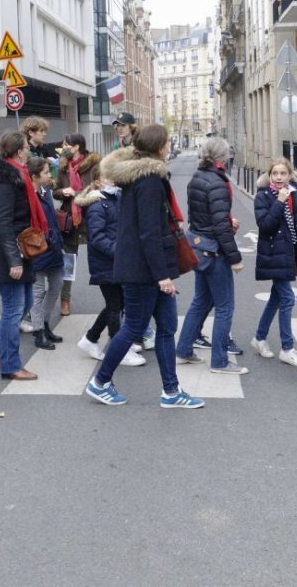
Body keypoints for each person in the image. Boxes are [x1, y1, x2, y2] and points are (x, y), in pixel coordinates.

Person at [85, 124, 204, 408]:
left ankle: (171, 392)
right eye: (167, 142)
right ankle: (100, 382)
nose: (169, 146)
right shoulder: (149, 180)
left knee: (165, 327)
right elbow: (149, 232)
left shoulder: (140, 177)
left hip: (144, 266)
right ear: (160, 146)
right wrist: (162, 275)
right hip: (144, 270)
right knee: (133, 327)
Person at [175, 137, 247, 375]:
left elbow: (201, 215)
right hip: (214, 250)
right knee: (225, 306)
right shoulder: (216, 181)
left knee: (201, 301)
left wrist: (226, 220)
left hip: (198, 245)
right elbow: (219, 226)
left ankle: (184, 349)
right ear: (223, 157)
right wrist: (235, 257)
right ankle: (220, 361)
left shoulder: (198, 176)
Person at [0, 132, 42, 380]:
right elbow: (2, 223)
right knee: (14, 310)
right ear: (19, 151)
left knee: (23, 305)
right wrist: (14, 260)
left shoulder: (15, 176)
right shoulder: (4, 181)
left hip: (17, 250)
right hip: (7, 253)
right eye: (27, 148)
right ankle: (11, 366)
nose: (29, 152)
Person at [75, 176, 145, 366]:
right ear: (97, 181)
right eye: (108, 176)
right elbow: (97, 238)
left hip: (116, 262)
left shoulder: (114, 199)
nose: (114, 180)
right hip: (106, 262)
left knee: (118, 303)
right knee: (115, 305)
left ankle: (90, 339)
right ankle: (119, 349)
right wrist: (120, 251)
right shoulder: (97, 204)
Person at [251, 158, 297, 365]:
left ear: (290, 175)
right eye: (275, 174)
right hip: (274, 253)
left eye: (283, 173)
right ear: (270, 175)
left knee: (276, 298)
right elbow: (265, 225)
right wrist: (279, 202)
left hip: (289, 253)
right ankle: (287, 348)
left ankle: (259, 338)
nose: (279, 177)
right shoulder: (263, 196)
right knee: (288, 299)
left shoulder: (296, 195)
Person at [54, 134, 100, 318]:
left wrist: (77, 192)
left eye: (67, 144)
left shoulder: (94, 165)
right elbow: (55, 190)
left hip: (92, 216)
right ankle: (65, 299)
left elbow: (98, 188)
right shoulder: (63, 166)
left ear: (77, 147)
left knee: (101, 257)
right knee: (68, 261)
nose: (63, 147)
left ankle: (115, 300)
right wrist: (63, 192)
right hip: (69, 220)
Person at [25, 157, 67, 350]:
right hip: (38, 248)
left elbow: (51, 219)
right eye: (45, 173)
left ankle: (44, 323)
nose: (49, 176)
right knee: (38, 291)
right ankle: (39, 331)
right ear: (34, 176)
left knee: (57, 285)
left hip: (54, 247)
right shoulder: (26, 195)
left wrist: (58, 241)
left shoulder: (45, 191)